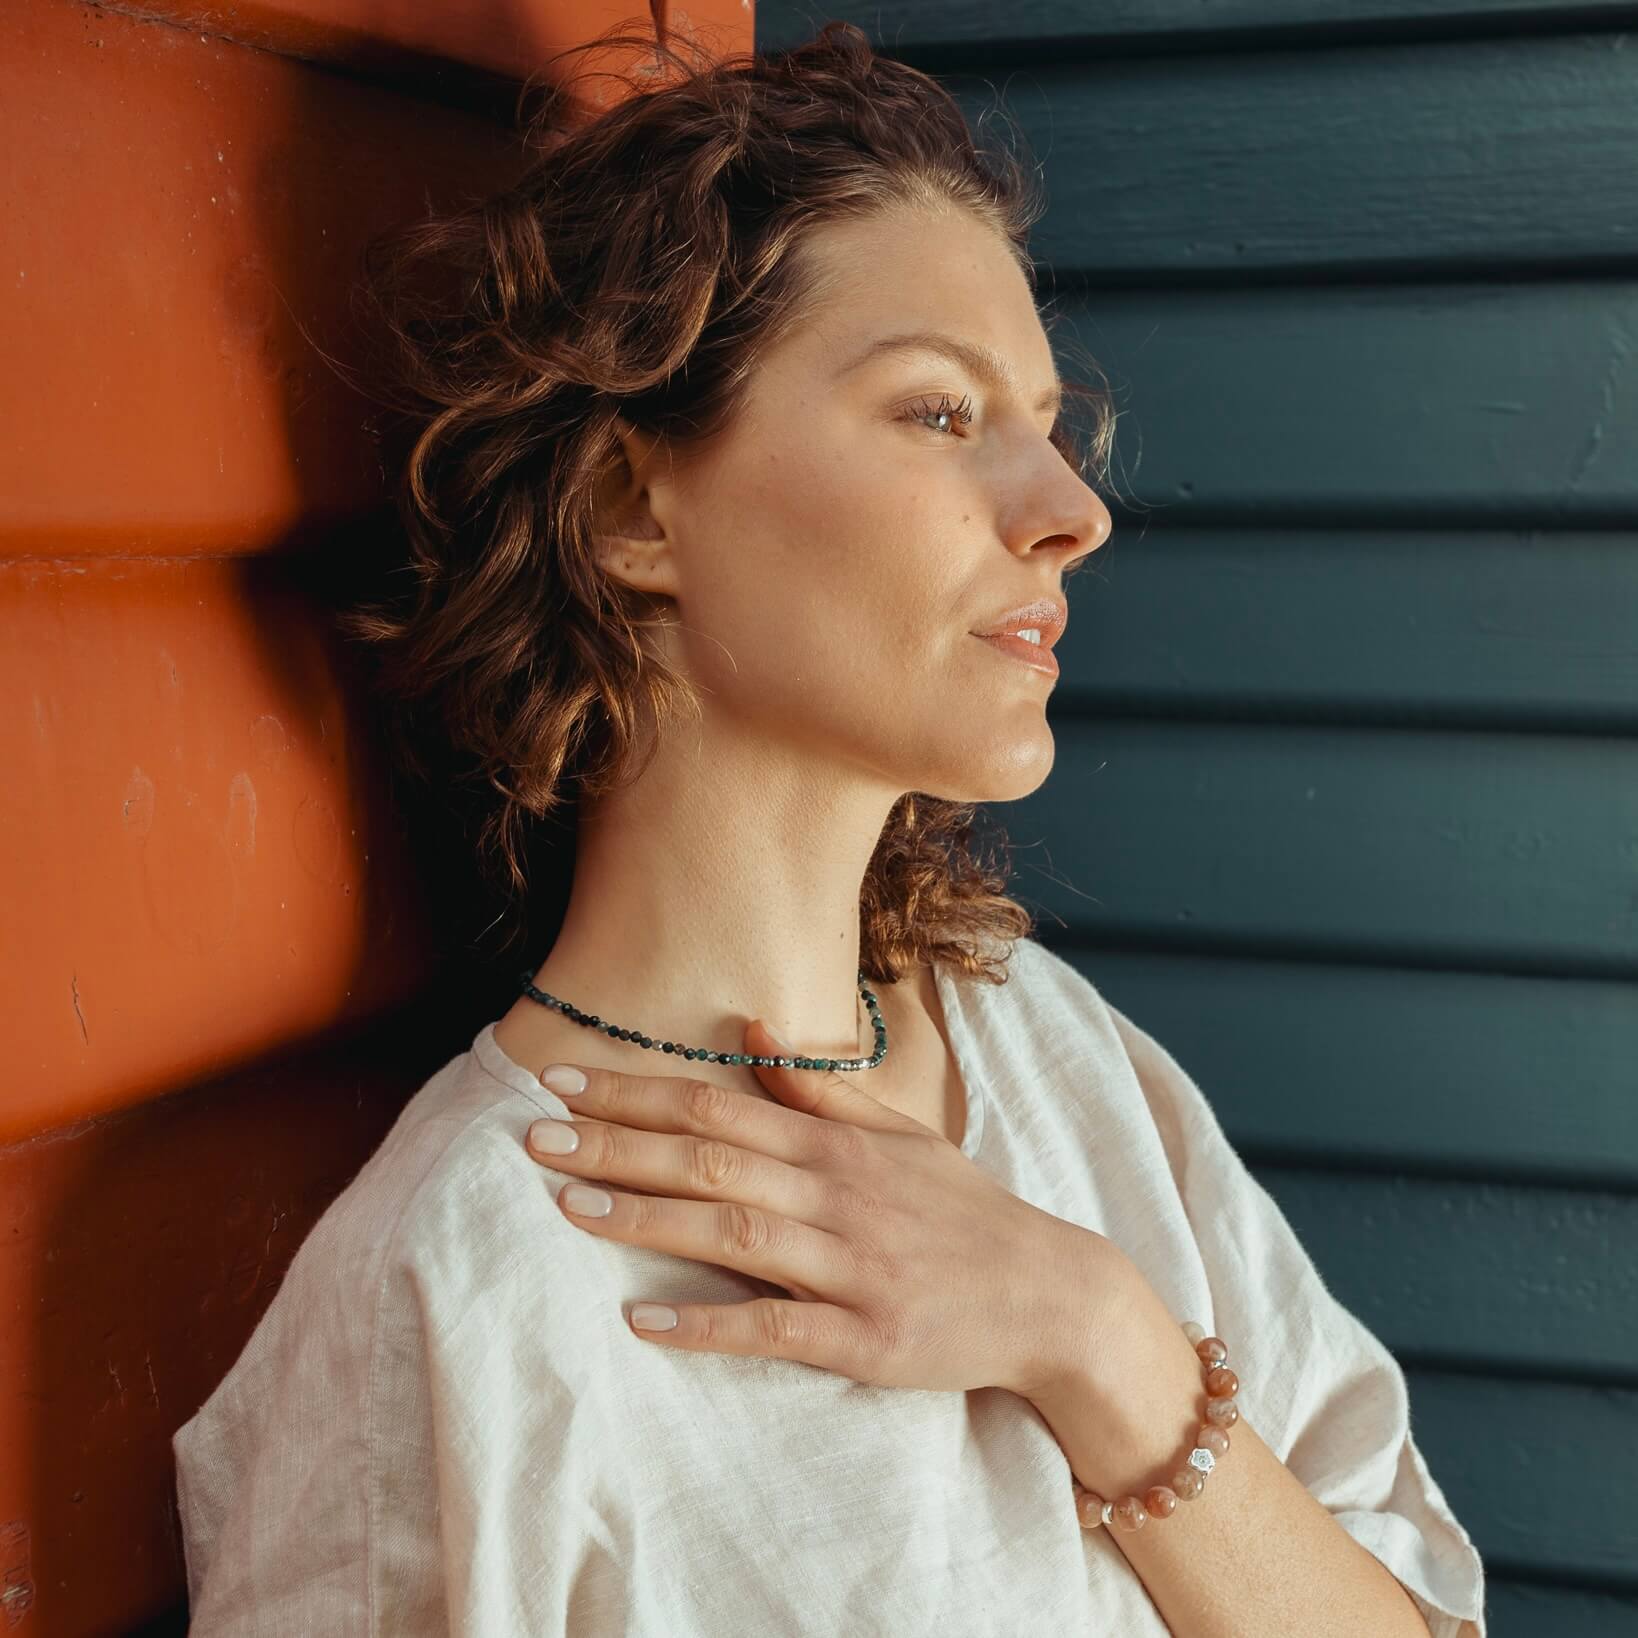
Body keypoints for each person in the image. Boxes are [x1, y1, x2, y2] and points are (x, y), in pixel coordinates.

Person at [170, 21, 1488, 1635]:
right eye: (938, 413)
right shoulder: (462, 1290)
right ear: (626, 509)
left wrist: (1100, 1339)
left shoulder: (1055, 1058)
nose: (1069, 508)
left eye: (1046, 417)